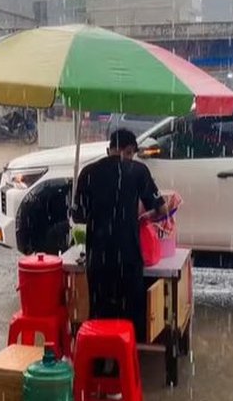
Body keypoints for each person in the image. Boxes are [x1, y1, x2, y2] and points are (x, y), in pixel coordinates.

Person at [72, 128, 166, 340]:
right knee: (129, 318)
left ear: (109, 149)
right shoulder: (138, 171)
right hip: (128, 257)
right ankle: (123, 362)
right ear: (129, 150)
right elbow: (162, 209)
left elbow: (78, 217)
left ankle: (97, 362)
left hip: (98, 258)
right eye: (131, 153)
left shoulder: (87, 172)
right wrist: (143, 217)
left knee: (99, 315)